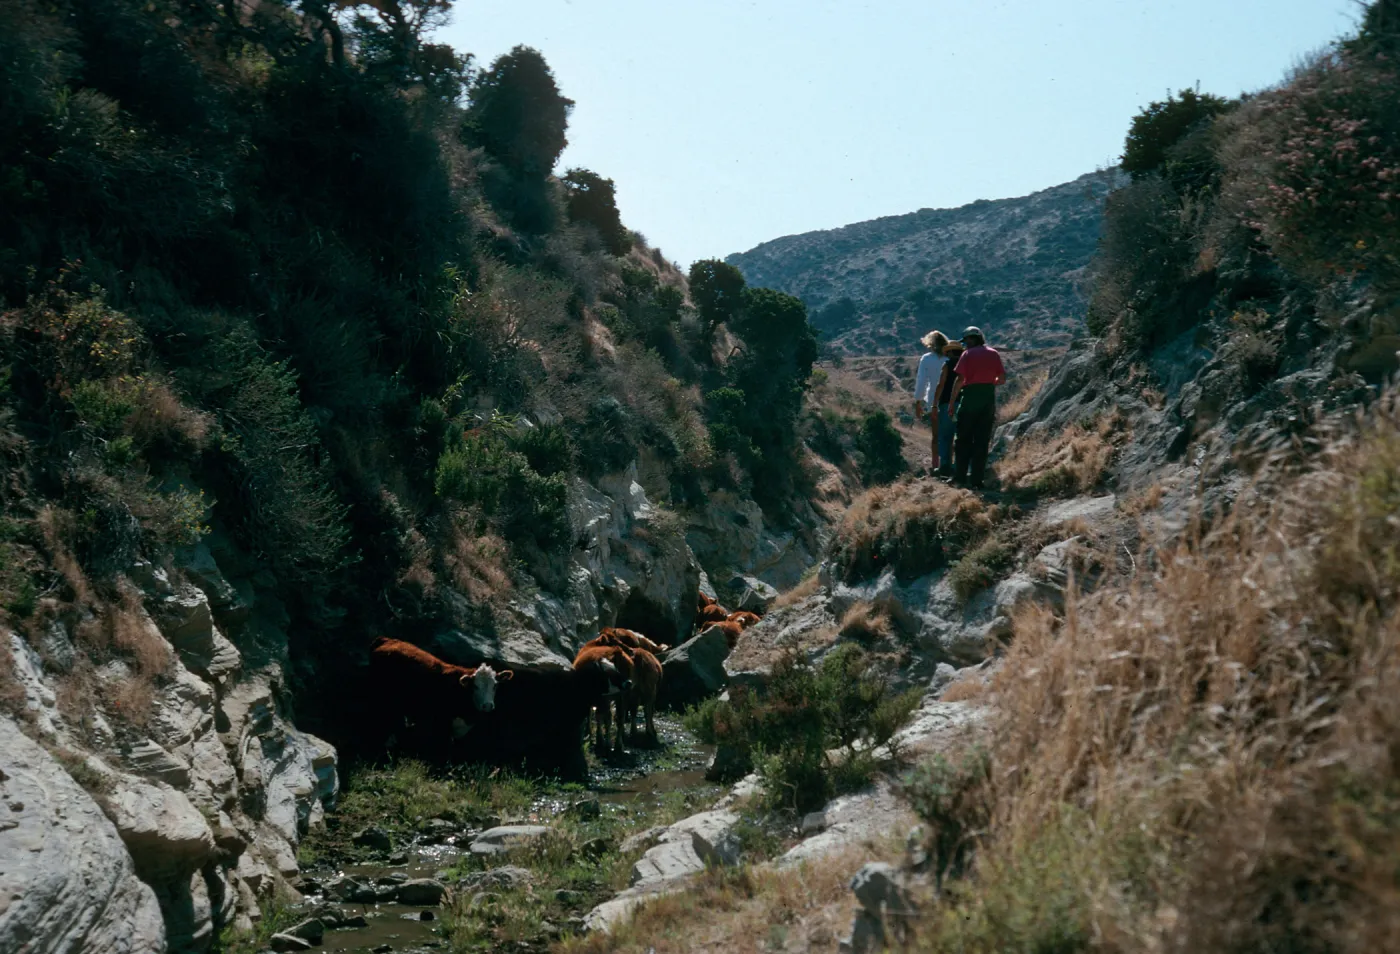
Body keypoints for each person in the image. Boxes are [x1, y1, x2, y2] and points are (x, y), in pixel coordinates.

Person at [948, 326, 1005, 489]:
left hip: (969, 401)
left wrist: (952, 403)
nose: (965, 345)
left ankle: (960, 478)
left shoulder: (967, 354)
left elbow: (959, 380)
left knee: (963, 441)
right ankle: (977, 481)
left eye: (966, 341)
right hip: (987, 402)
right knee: (981, 441)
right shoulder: (994, 354)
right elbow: (1001, 379)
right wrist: (987, 382)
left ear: (972, 339)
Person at [912, 331, 949, 474]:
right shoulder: (950, 358)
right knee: (950, 434)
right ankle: (949, 463)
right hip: (953, 399)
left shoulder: (926, 359)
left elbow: (921, 382)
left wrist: (918, 402)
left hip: (934, 400)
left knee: (936, 435)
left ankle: (936, 465)